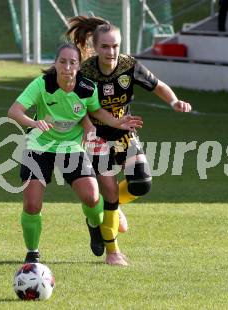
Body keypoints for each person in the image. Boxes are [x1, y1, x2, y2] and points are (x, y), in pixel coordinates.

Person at [66, 16, 192, 266]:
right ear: (95, 46)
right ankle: (113, 252)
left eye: (115, 46)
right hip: (97, 136)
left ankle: (100, 215)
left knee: (142, 184)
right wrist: (89, 126)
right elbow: (77, 108)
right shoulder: (85, 71)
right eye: (105, 46)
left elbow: (158, 85)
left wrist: (174, 101)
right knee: (111, 193)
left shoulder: (129, 66)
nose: (111, 51)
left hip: (124, 133)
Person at [7, 43, 143, 263]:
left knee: (91, 197)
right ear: (55, 63)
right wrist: (34, 122)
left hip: (71, 147)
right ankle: (32, 252)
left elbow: (95, 110)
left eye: (72, 62)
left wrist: (117, 123)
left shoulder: (87, 88)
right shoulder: (42, 84)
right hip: (39, 146)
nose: (67, 67)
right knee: (32, 203)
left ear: (79, 66)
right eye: (63, 62)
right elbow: (14, 111)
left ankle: (93, 224)